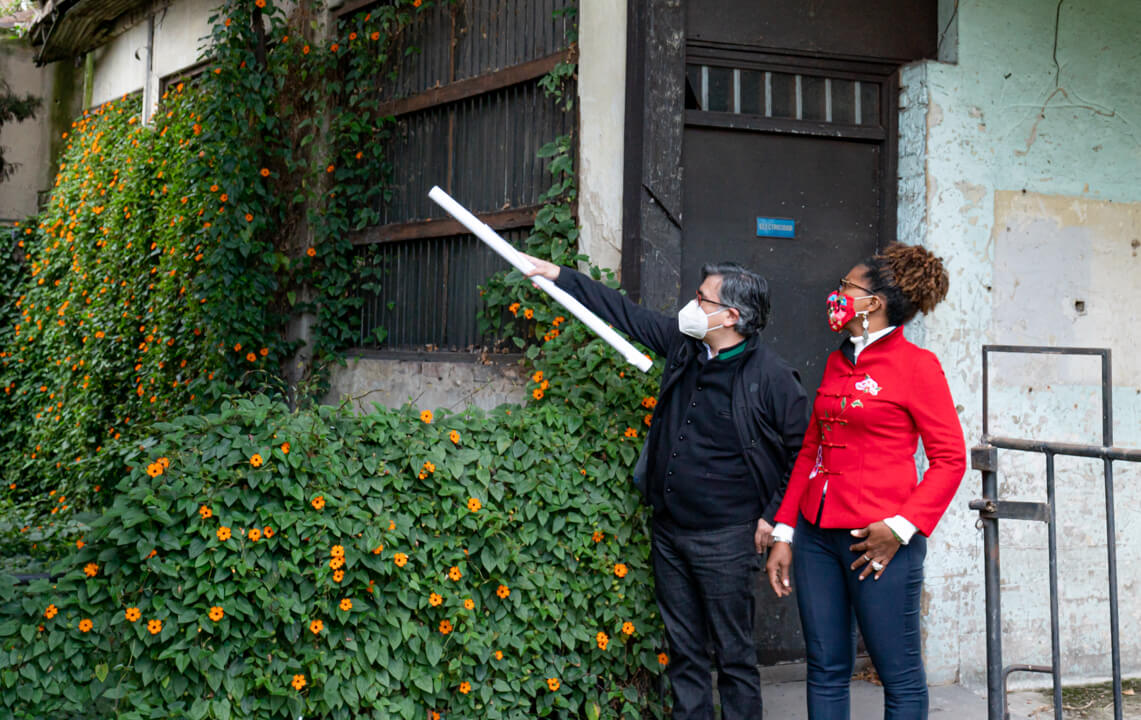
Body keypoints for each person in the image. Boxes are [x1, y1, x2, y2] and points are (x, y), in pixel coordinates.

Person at [522, 253, 809, 720]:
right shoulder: (684, 346)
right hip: (670, 532)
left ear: (731, 316)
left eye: (702, 299)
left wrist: (776, 520)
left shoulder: (772, 378)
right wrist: (559, 275)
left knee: (733, 657)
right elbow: (625, 314)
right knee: (684, 652)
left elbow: (805, 453)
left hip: (726, 539)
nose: (691, 306)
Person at [764, 243, 967, 720]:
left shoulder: (918, 365)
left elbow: (950, 460)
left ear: (872, 303)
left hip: (878, 543)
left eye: (846, 286)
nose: (837, 293)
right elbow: (811, 451)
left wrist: (900, 528)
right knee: (826, 668)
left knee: (899, 675)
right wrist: (785, 531)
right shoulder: (838, 362)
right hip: (816, 537)